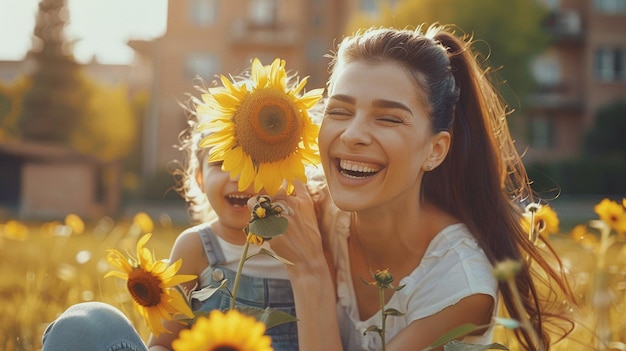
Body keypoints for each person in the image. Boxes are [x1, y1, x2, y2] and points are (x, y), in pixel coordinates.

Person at [263, 24, 575, 351]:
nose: (353, 134)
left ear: (434, 150)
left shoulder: (458, 286)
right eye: (340, 111)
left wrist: (310, 272)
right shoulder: (314, 211)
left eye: (389, 119)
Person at [41, 81, 299, 351]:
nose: (238, 176)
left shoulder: (302, 246)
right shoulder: (196, 248)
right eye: (221, 163)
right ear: (199, 177)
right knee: (86, 322)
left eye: (254, 162)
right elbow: (163, 343)